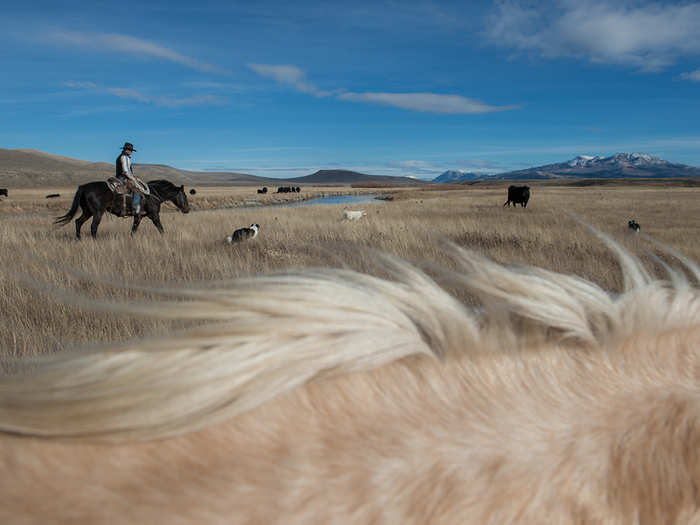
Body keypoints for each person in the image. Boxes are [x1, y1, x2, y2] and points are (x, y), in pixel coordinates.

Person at [116, 142, 141, 215]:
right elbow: (126, 171)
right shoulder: (124, 157)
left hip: (120, 177)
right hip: (123, 178)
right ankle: (135, 207)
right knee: (137, 190)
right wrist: (133, 179)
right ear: (125, 150)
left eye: (131, 150)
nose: (131, 152)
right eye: (129, 150)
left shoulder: (123, 156)